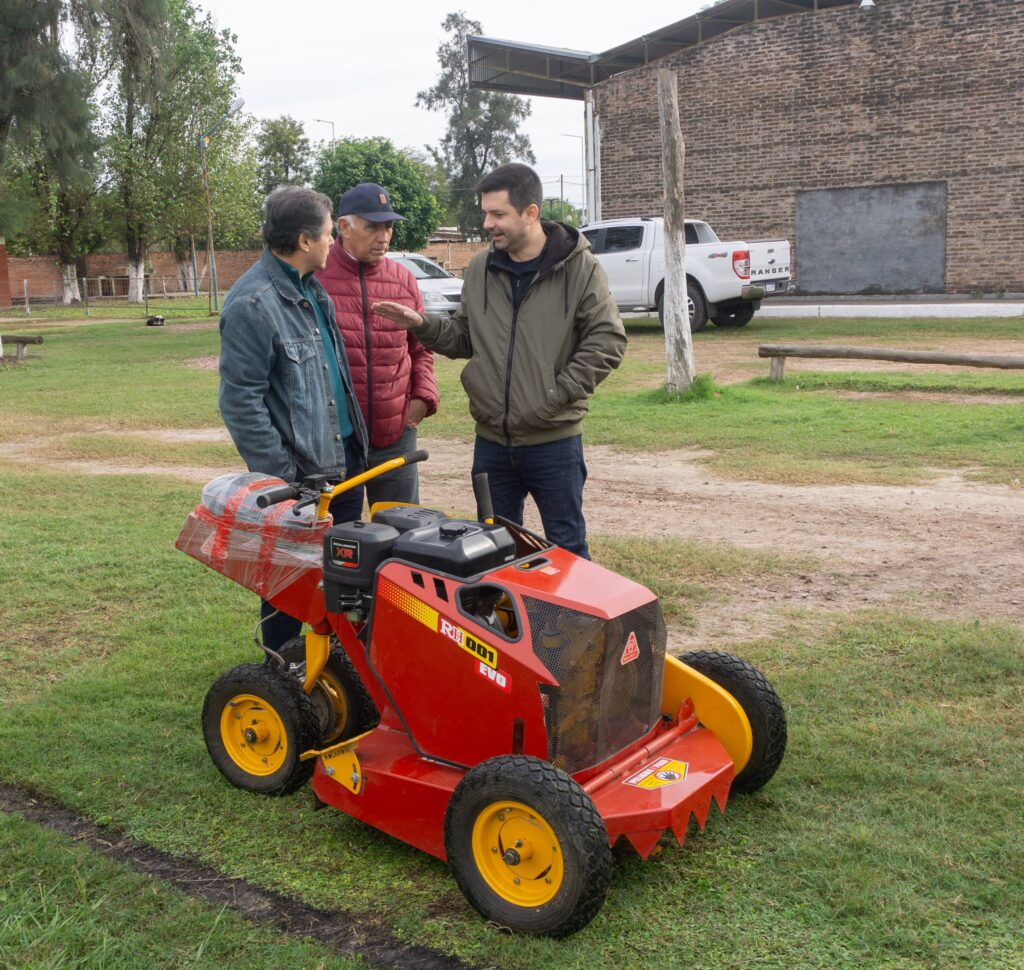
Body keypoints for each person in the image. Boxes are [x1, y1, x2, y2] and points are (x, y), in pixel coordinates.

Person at [373, 163, 626, 559]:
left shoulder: (579, 267)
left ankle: (567, 606)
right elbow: (464, 338)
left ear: (530, 213)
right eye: (485, 213)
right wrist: (421, 324)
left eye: (498, 214)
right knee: (492, 551)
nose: (487, 223)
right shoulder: (480, 269)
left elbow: (607, 339)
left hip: (554, 441)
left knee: (568, 549)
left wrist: (555, 394)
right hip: (491, 442)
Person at [219, 185, 368, 648]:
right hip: (302, 478)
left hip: (344, 465)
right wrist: (283, 477)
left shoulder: (312, 288)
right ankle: (279, 673)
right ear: (304, 241)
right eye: (328, 234)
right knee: (288, 585)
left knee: (343, 578)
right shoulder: (252, 303)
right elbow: (240, 401)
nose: (333, 242)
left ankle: (336, 671)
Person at [316, 182, 438, 507]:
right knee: (341, 532)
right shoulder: (316, 279)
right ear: (344, 227)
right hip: (337, 440)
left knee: (402, 527)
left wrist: (423, 396)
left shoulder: (403, 279)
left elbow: (420, 348)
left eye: (388, 227)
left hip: (396, 432)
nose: (383, 236)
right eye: (373, 227)